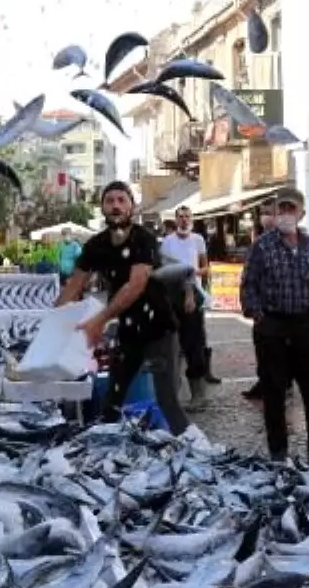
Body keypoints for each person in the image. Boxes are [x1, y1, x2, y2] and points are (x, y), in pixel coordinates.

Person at [56, 181, 189, 434]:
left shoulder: (144, 239)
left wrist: (99, 320)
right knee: (111, 404)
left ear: (132, 206)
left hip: (159, 329)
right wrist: (51, 324)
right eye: (110, 201)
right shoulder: (96, 246)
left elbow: (135, 285)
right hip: (129, 333)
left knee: (168, 401)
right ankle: (106, 451)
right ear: (102, 208)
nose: (115, 206)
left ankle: (197, 452)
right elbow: (74, 287)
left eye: (121, 200)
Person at [239, 187, 309, 462]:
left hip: (305, 325)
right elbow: (248, 284)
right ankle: (278, 449)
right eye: (282, 209)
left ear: (302, 213)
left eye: (292, 209)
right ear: (276, 213)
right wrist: (258, 315)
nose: (287, 214)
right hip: (272, 327)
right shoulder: (262, 246)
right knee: (274, 391)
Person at [161, 204, 211, 411]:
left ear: (191, 219)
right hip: (173, 298)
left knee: (194, 345)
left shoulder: (198, 240)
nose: (183, 220)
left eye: (187, 216)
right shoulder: (167, 242)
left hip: (193, 298)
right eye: (180, 217)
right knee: (172, 347)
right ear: (175, 220)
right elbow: (165, 271)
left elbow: (206, 267)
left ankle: (198, 394)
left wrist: (192, 273)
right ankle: (172, 393)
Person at [243, 204, 286, 401]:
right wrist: (255, 311)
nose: (266, 217)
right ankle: (265, 384)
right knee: (263, 353)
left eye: (270, 213)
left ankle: (284, 383)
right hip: (265, 313)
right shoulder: (259, 244)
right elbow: (249, 280)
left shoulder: (303, 243)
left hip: (289, 314)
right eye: (264, 213)